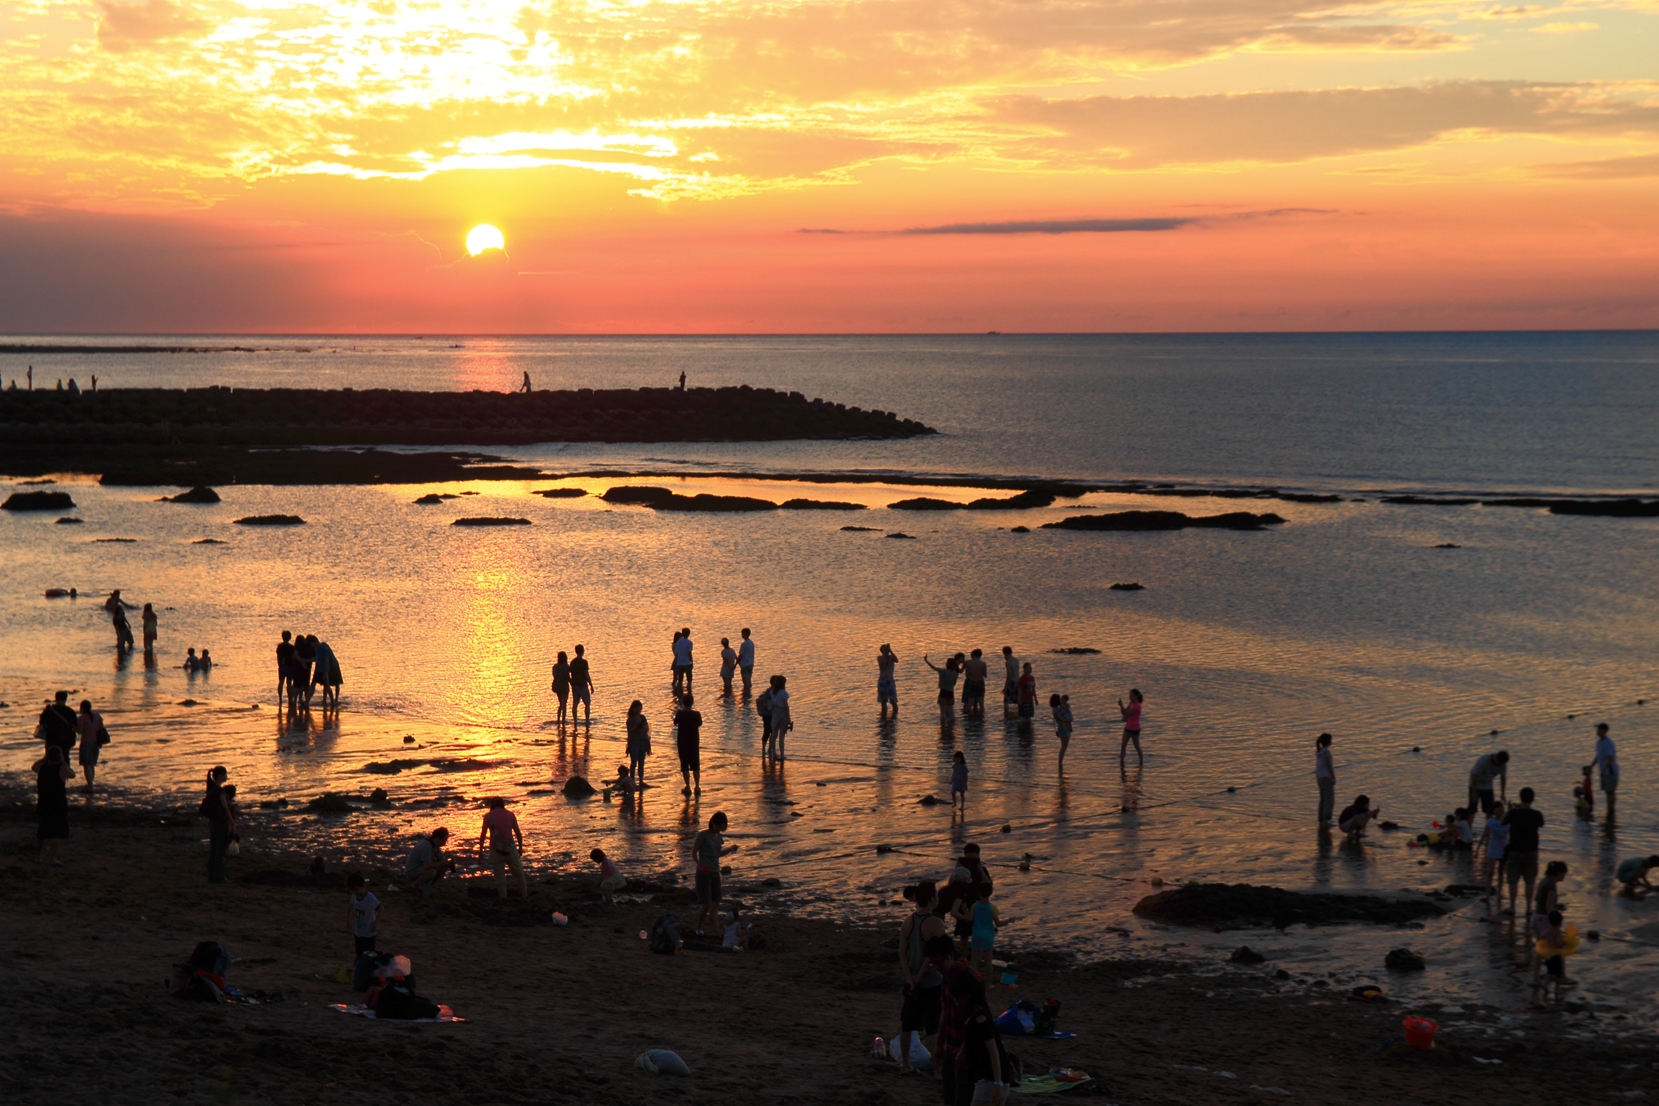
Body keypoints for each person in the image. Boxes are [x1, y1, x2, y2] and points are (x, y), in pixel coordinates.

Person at [897, 880, 948, 1074]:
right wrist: (918, 978)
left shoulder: (907, 921)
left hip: (911, 983)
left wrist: (910, 978)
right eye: (936, 896)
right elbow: (933, 956)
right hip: (931, 982)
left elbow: (902, 952)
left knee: (907, 1026)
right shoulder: (936, 922)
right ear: (932, 899)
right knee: (932, 1028)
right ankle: (937, 1070)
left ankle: (905, 1065)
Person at [951, 970, 1008, 1105]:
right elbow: (971, 1035)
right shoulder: (974, 1015)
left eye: (957, 997)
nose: (955, 1001)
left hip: (992, 1077)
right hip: (986, 1075)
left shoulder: (981, 1019)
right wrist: (962, 1050)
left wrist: (998, 1084)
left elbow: (994, 1054)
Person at [1502, 787, 1544, 918]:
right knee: (1530, 880)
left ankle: (1513, 907)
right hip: (1531, 850)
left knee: (1513, 880)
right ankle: (1528, 908)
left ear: (1520, 798)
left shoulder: (1514, 813)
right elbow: (1541, 824)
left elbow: (1503, 822)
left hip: (1515, 849)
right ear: (1533, 799)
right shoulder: (1537, 814)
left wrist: (1510, 809)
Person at [693, 811, 736, 935]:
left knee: (715, 903)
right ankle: (698, 927)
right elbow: (694, 853)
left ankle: (716, 930)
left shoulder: (719, 837)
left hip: (715, 872)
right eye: (717, 826)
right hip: (704, 873)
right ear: (712, 823)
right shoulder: (702, 836)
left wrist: (730, 849)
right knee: (706, 904)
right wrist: (699, 865)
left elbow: (718, 854)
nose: (719, 829)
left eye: (722, 827)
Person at [478, 798, 527, 900]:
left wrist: (481, 851)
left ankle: (504, 898)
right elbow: (518, 833)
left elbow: (483, 835)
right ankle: (524, 895)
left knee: (500, 877)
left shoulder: (488, 816)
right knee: (519, 873)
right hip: (510, 848)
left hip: (496, 850)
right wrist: (520, 848)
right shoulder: (510, 815)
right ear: (503, 804)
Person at [33, 746, 73, 863]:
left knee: (42, 831)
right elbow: (72, 774)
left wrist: (44, 758)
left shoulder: (41, 767)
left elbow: (33, 766)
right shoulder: (61, 769)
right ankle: (51, 857)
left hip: (44, 803)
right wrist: (64, 762)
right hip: (57, 804)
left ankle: (38, 857)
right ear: (59, 756)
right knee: (56, 832)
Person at [201, 766, 234, 883]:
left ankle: (211, 875)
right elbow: (225, 808)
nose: (227, 776)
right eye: (225, 774)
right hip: (220, 823)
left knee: (213, 850)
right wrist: (232, 822)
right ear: (220, 776)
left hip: (212, 823)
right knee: (220, 851)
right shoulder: (220, 791)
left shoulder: (211, 789)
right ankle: (219, 877)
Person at [1534, 909, 1574, 1002]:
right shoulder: (1557, 931)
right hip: (1556, 956)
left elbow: (1541, 936)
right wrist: (1565, 942)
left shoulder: (1548, 931)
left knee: (1549, 972)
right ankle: (1557, 989)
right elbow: (1559, 941)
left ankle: (1545, 984)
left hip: (1549, 955)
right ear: (1560, 922)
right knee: (1558, 974)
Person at [402, 827, 452, 895]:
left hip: (419, 868)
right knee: (432, 872)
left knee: (443, 867)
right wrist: (443, 863)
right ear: (437, 838)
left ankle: (431, 885)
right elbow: (427, 865)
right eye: (444, 840)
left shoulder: (433, 844)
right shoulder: (427, 846)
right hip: (411, 871)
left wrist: (448, 862)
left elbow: (442, 859)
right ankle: (414, 885)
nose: (445, 843)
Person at [1480, 801, 1509, 913]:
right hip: (1492, 850)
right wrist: (1478, 848)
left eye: (1502, 808)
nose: (1500, 810)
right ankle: (1487, 894)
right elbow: (1485, 834)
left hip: (1504, 850)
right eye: (1498, 808)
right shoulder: (1491, 821)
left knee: (1501, 872)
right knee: (1490, 873)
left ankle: (1499, 894)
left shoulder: (1507, 821)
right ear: (1494, 810)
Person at [675, 693, 704, 795]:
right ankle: (697, 786)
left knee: (684, 765)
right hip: (694, 741)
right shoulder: (696, 714)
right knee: (695, 765)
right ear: (692, 702)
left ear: (683, 702)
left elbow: (675, 722)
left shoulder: (680, 713)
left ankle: (687, 786)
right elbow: (700, 724)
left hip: (682, 742)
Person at [968, 884, 999, 977]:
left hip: (976, 934)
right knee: (988, 961)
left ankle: (972, 981)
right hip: (988, 936)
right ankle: (989, 983)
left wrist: (965, 911)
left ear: (979, 893)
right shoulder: (992, 908)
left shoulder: (974, 906)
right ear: (991, 893)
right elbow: (998, 924)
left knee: (974, 960)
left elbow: (969, 919)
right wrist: (1009, 920)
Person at [38, 691, 79, 762]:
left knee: (50, 759)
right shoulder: (70, 711)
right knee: (65, 759)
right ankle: (64, 772)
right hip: (66, 740)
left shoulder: (49, 710)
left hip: (51, 738)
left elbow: (42, 723)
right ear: (66, 699)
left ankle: (51, 773)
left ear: (55, 698)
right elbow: (75, 727)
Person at [1468, 750, 1510, 816]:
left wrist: (1502, 794)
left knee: (1489, 810)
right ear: (1496, 758)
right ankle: (1468, 826)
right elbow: (1474, 776)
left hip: (1487, 786)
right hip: (1475, 785)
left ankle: (1489, 825)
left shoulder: (1502, 765)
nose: (1499, 765)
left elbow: (1503, 778)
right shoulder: (1483, 761)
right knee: (1472, 809)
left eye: (1501, 764)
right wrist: (1473, 792)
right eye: (1499, 763)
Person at [346, 873, 379, 955]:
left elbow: (380, 909)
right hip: (358, 932)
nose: (354, 892)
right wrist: (348, 919)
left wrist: (375, 923)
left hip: (369, 933)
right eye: (352, 890)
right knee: (359, 952)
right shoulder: (354, 896)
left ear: (362, 886)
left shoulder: (369, 897)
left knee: (369, 955)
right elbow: (351, 905)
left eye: (356, 890)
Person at [76, 699, 105, 792]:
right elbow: (101, 727)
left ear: (82, 708)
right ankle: (90, 783)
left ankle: (90, 785)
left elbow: (80, 731)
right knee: (92, 764)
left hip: (86, 743)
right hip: (96, 742)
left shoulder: (82, 718)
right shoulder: (97, 715)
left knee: (86, 765)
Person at [925, 653, 960, 721]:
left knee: (942, 712)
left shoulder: (943, 671)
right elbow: (954, 683)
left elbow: (933, 667)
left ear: (948, 664)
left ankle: (943, 727)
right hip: (951, 692)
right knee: (951, 711)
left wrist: (926, 660)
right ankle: (952, 725)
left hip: (943, 692)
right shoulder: (955, 673)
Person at [1594, 723, 1619, 820]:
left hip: (1610, 772)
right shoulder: (1599, 743)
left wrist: (1603, 769)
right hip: (1604, 772)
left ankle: (1611, 810)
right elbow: (1598, 756)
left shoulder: (1608, 743)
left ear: (1604, 731)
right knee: (1607, 792)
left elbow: (1610, 759)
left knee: (1610, 791)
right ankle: (1609, 809)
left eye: (1599, 729)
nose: (1597, 731)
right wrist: (1592, 766)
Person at [625, 700, 651, 785]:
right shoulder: (630, 719)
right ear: (633, 709)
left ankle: (641, 780)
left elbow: (647, 728)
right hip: (634, 743)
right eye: (637, 708)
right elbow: (629, 731)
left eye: (640, 708)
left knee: (641, 762)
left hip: (642, 742)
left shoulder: (643, 717)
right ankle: (632, 780)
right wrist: (637, 726)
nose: (639, 710)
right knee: (634, 762)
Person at [311, 639, 341, 706]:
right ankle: (325, 699)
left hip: (334, 666)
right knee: (326, 683)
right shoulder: (320, 648)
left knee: (336, 682)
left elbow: (326, 660)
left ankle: (335, 699)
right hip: (328, 666)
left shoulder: (324, 648)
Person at [768, 676, 792, 761]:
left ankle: (773, 752)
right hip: (782, 714)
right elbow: (786, 707)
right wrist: (788, 718)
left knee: (774, 734)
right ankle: (782, 754)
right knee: (781, 736)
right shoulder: (783, 693)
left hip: (775, 713)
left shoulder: (772, 692)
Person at [1315, 732, 1336, 827]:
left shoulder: (1319, 752)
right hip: (1326, 777)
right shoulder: (1326, 752)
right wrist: (1333, 777)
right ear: (1328, 741)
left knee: (1323, 798)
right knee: (1329, 799)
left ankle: (1321, 818)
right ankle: (1325, 820)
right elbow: (1328, 765)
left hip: (1319, 777)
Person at [1118, 688, 1144, 764]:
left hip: (1135, 729)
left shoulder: (1137, 706)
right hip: (1128, 727)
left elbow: (1128, 714)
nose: (1130, 697)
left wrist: (1122, 706)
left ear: (1136, 696)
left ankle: (1141, 762)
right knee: (1123, 745)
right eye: (1129, 695)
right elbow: (1124, 713)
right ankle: (1121, 762)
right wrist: (1121, 706)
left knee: (1137, 747)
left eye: (1131, 695)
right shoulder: (1131, 703)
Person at [569, 644, 593, 723]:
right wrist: (591, 684)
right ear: (583, 651)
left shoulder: (572, 662)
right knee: (587, 703)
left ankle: (575, 721)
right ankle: (587, 720)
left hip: (575, 685)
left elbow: (570, 673)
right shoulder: (584, 662)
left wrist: (571, 682)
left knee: (575, 704)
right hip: (582, 685)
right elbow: (586, 674)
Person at [962, 649, 988, 716]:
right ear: (980, 655)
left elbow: (967, 675)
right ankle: (981, 719)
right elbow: (985, 675)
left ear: (973, 655)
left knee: (969, 703)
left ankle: (967, 719)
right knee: (981, 703)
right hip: (980, 683)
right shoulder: (983, 664)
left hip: (972, 683)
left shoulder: (969, 664)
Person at [1051, 693, 1073, 772]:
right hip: (1063, 728)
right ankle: (1060, 764)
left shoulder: (1058, 708)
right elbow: (1062, 719)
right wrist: (1069, 720)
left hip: (1065, 728)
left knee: (1064, 747)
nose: (1060, 700)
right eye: (1059, 699)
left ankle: (1060, 763)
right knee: (1063, 747)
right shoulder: (1056, 709)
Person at [878, 644, 899, 717]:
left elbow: (896, 660)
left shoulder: (891, 658)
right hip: (882, 681)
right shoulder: (880, 658)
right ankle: (883, 718)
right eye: (884, 650)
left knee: (893, 701)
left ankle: (894, 717)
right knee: (883, 702)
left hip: (889, 681)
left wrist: (890, 650)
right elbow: (883, 665)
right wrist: (884, 653)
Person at [672, 627, 694, 696]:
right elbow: (689, 653)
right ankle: (689, 693)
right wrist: (692, 662)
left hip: (679, 663)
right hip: (687, 663)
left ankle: (679, 693)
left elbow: (676, 653)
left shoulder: (678, 642)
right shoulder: (689, 643)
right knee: (689, 680)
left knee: (680, 680)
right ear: (688, 634)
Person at [550, 651, 571, 723]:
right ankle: (563, 720)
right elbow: (567, 677)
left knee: (560, 703)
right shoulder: (566, 666)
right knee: (564, 704)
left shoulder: (555, 667)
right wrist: (572, 682)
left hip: (557, 686)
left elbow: (554, 675)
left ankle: (558, 719)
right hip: (564, 686)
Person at [757, 678, 776, 752]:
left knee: (773, 731)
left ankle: (770, 748)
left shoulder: (774, 691)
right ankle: (764, 748)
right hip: (767, 714)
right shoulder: (769, 691)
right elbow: (765, 702)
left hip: (772, 714)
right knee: (767, 731)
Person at [276, 630, 295, 703]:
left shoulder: (279, 646)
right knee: (289, 683)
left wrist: (279, 664)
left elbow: (278, 656)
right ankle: (290, 699)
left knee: (281, 682)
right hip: (290, 666)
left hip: (282, 666)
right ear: (290, 637)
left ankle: (280, 698)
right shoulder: (291, 647)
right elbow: (293, 657)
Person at [1000, 646, 1019, 718]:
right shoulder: (1016, 660)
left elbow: (1009, 676)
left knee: (1006, 701)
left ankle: (1006, 715)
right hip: (1018, 681)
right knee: (1017, 700)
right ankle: (1018, 715)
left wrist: (1005, 687)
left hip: (1012, 682)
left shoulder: (1008, 662)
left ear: (1004, 653)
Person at [737, 628, 754, 693]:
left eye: (742, 634)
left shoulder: (744, 644)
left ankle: (746, 694)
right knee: (749, 679)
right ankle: (749, 692)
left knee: (745, 680)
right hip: (750, 663)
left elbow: (741, 655)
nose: (742, 635)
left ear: (746, 634)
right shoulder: (751, 643)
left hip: (745, 665)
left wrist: (736, 664)